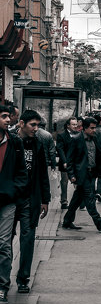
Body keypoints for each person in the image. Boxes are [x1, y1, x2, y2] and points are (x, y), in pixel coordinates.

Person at [12, 109, 51, 294]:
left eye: (38, 125)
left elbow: (43, 172)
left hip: (30, 198)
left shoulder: (38, 144)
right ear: (21, 123)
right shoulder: (9, 140)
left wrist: (45, 199)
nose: (36, 129)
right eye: (32, 125)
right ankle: (4, 277)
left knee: (27, 238)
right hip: (10, 198)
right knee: (5, 240)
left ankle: (23, 279)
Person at [0, 104, 28, 304]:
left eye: (8, 117)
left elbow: (21, 172)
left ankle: (2, 286)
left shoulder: (14, 142)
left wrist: (14, 190)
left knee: (3, 244)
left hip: (7, 201)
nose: (8, 120)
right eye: (3, 117)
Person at [63, 117, 101, 231]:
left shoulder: (95, 139)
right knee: (89, 198)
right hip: (82, 174)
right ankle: (99, 222)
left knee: (77, 199)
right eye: (92, 128)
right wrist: (71, 175)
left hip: (92, 173)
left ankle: (67, 221)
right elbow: (70, 159)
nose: (94, 130)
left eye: (95, 127)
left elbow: (99, 155)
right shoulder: (76, 139)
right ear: (84, 128)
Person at [56, 117, 79, 209]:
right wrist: (65, 161)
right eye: (73, 124)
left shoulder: (78, 134)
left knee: (77, 182)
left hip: (76, 163)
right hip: (65, 163)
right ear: (68, 125)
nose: (75, 126)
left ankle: (79, 201)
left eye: (76, 124)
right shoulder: (61, 135)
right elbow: (60, 148)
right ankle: (64, 201)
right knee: (64, 182)